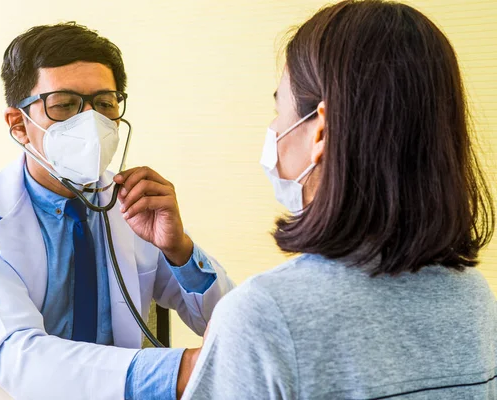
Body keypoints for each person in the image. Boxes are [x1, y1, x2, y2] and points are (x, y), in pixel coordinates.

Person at [183, 1, 496, 399]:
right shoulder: (472, 299)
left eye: (278, 107)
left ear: (320, 132)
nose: (273, 129)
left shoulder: (264, 316)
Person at [0, 22, 234, 400]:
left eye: (105, 104)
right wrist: (183, 371)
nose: (91, 122)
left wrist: (179, 250)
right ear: (19, 125)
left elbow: (231, 325)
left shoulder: (132, 204)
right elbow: (19, 356)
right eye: (64, 105)